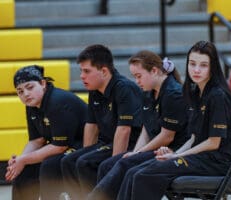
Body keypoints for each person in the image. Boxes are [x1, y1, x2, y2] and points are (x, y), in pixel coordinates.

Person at [116, 41, 231, 200]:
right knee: (134, 171)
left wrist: (176, 156)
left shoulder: (217, 95)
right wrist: (175, 154)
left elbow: (213, 143)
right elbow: (194, 138)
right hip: (200, 157)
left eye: (203, 65)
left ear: (213, 67)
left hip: (215, 162)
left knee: (144, 175)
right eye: (192, 64)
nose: (196, 70)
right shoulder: (197, 92)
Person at [87, 50, 190, 200]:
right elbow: (146, 129)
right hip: (154, 148)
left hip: (171, 149)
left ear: (154, 71)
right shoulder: (148, 92)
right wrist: (136, 152)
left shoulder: (173, 94)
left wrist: (138, 153)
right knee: (107, 165)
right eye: (135, 77)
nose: (137, 81)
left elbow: (167, 136)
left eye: (139, 76)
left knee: (126, 165)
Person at [60, 44, 143, 200]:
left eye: (87, 71)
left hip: (132, 143)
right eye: (81, 71)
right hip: (107, 142)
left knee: (85, 163)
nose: (82, 76)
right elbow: (91, 125)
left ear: (104, 71)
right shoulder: (94, 89)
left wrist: (114, 167)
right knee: (69, 161)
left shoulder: (123, 88)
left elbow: (124, 130)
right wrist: (85, 151)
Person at [5, 65, 88, 200]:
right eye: (20, 91)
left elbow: (60, 146)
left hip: (86, 143)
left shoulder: (57, 101)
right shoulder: (32, 105)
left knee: (49, 165)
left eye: (30, 87)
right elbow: (37, 140)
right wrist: (19, 161)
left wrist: (24, 159)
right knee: (23, 170)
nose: (25, 94)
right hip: (63, 145)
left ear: (43, 83)